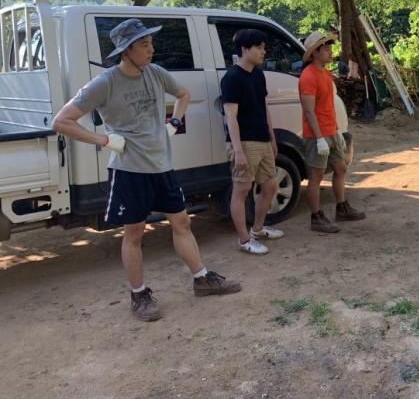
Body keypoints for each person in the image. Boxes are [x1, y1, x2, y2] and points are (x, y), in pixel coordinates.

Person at [52, 18, 241, 322]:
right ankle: (139, 295)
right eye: (144, 44)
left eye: (151, 42)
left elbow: (183, 95)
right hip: (129, 171)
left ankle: (202, 279)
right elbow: (62, 121)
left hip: (162, 166)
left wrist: (174, 123)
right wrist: (103, 140)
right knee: (134, 234)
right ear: (126, 50)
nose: (151, 49)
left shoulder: (156, 73)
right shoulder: (105, 82)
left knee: (182, 223)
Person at [220, 29, 284, 255]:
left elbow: (264, 107)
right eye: (259, 47)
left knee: (270, 185)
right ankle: (244, 240)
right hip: (244, 142)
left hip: (262, 139)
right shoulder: (231, 78)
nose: (263, 52)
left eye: (263, 47)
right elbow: (230, 117)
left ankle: (258, 229)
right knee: (241, 190)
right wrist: (237, 150)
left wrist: (272, 137)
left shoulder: (258, 74)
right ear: (244, 49)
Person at [299, 31, 365, 233]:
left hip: (331, 131)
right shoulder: (308, 76)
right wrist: (319, 138)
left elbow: (328, 106)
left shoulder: (326, 74)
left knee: (341, 168)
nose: (331, 53)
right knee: (316, 176)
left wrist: (336, 131)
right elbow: (309, 111)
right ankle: (316, 217)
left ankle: (342, 208)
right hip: (316, 135)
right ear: (315, 53)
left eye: (330, 49)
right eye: (326, 49)